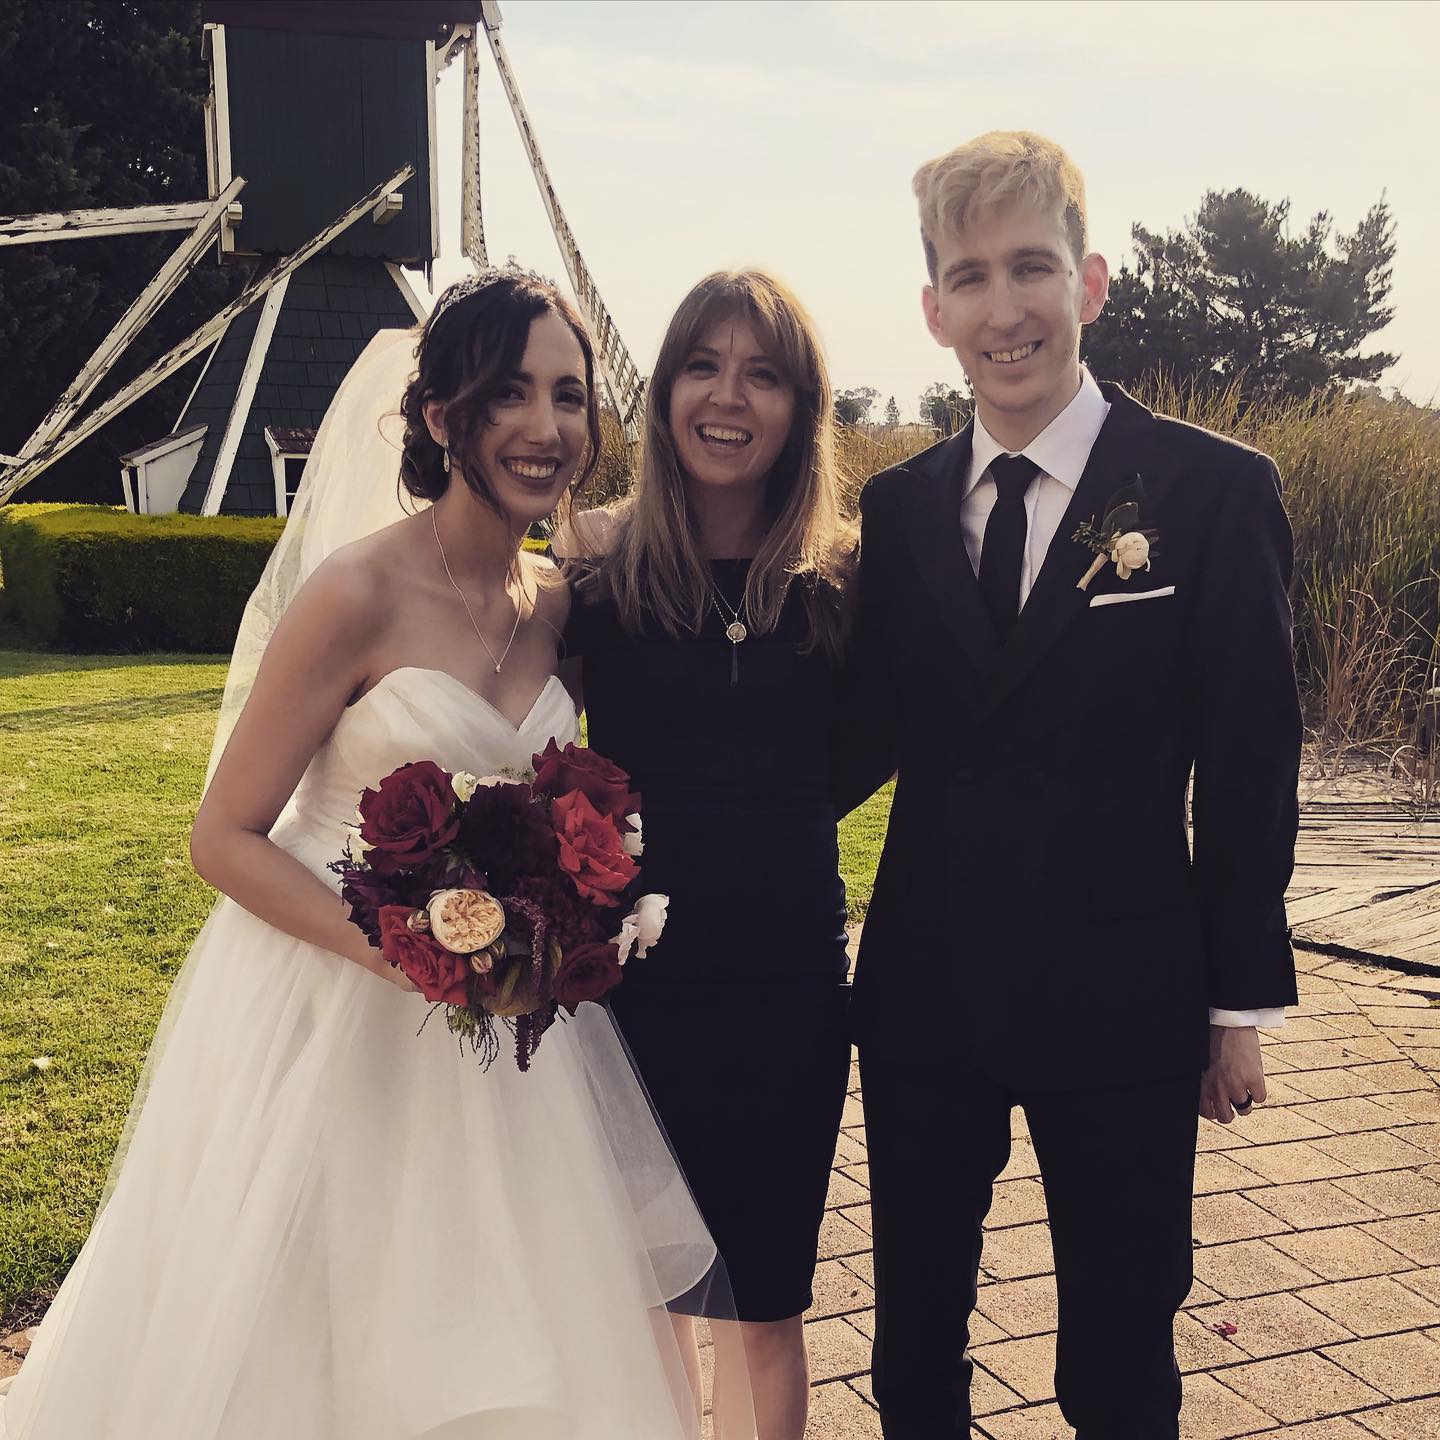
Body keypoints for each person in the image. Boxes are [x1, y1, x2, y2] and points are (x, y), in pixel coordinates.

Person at [1, 269, 754, 1440]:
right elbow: (222, 836)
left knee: (512, 1327)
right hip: (334, 1015)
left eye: (569, 395)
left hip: (511, 1045)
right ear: (443, 415)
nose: (547, 426)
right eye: (509, 393)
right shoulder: (354, 592)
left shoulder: (558, 604)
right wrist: (406, 952)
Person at [836, 131, 1301, 1439]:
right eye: (970, 277)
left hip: (1126, 996)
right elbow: (852, 739)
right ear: (934, 310)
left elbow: (1252, 762)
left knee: (1120, 1360)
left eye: (1031, 267)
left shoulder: (1213, 494)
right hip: (927, 994)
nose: (1005, 309)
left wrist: (1235, 1004)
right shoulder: (900, 509)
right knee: (912, 1350)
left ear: (1090, 282)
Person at [557, 270, 855, 1440]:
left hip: (789, 986)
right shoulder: (594, 565)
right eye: (702, 365)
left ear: (800, 409)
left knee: (765, 1304)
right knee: (652, 1297)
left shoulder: (845, 582)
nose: (727, 397)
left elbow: (865, 753)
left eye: (762, 374)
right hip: (635, 986)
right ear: (665, 389)